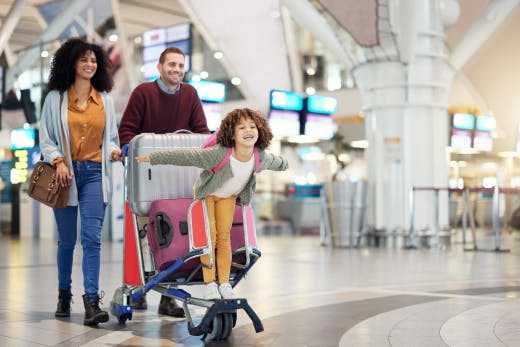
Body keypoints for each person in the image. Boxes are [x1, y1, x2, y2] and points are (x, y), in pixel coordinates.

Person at [136, 108, 288, 300]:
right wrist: (153, 158)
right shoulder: (219, 154)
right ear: (232, 134)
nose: (248, 130)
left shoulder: (260, 156)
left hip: (228, 197)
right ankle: (210, 284)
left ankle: (223, 283)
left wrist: (285, 164)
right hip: (208, 195)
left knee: (224, 238)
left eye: (252, 126)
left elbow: (277, 162)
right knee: (209, 238)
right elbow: (186, 157)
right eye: (241, 127)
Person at [118, 46, 209, 317]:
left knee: (172, 235)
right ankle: (137, 287)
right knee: (144, 235)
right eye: (172, 65)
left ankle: (167, 296)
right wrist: (126, 149)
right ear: (159, 67)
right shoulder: (143, 93)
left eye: (181, 66)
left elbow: (201, 131)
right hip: (147, 175)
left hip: (179, 175)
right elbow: (127, 131)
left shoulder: (190, 94)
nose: (177, 70)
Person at [39, 38, 122, 326]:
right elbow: (47, 139)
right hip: (65, 175)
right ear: (71, 63)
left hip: (95, 175)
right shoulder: (55, 98)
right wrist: (58, 161)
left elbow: (111, 136)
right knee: (67, 241)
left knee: (92, 239)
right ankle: (64, 294)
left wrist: (114, 150)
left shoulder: (106, 100)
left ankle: (91, 302)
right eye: (84, 59)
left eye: (94, 60)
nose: (89, 64)